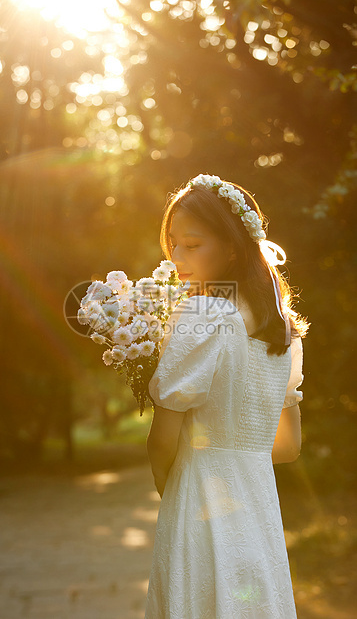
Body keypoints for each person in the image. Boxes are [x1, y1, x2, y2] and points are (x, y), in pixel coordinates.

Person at [145, 174, 308, 618]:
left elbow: (162, 440)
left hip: (197, 500)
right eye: (173, 244)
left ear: (233, 246)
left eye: (192, 245)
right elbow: (288, 447)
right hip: (258, 509)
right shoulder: (286, 331)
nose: (177, 258)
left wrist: (177, 486)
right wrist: (240, 456)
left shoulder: (203, 311)